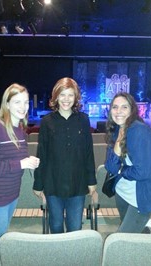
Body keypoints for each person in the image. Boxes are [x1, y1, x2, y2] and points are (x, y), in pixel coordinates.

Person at [0, 83, 40, 241]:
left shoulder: (21, 131)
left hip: (11, 196)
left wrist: (28, 162)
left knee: (1, 238)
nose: (23, 106)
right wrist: (20, 164)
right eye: (17, 102)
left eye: (25, 102)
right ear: (7, 104)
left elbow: (13, 161)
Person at [33, 77, 97, 233]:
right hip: (53, 183)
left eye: (70, 95)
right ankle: (58, 257)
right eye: (62, 95)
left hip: (78, 182)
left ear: (76, 97)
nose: (66, 99)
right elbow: (42, 154)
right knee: (55, 225)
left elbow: (88, 153)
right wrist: (38, 184)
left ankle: (72, 257)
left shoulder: (83, 119)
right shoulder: (47, 122)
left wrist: (92, 182)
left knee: (75, 226)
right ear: (56, 97)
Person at [105, 92, 151, 233]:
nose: (118, 111)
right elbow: (111, 166)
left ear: (132, 110)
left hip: (140, 197)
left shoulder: (139, 132)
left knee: (121, 242)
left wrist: (122, 170)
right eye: (115, 107)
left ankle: (144, 227)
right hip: (122, 192)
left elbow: (143, 172)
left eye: (124, 107)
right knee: (131, 237)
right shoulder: (117, 130)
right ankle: (145, 229)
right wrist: (118, 143)